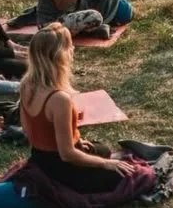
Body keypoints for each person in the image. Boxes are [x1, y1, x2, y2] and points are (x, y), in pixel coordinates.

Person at [17, 24, 148, 195]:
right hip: (61, 168)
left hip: (39, 158)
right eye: (69, 46)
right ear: (60, 56)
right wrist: (105, 164)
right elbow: (66, 154)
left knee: (102, 150)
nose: (72, 49)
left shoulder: (26, 84)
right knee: (133, 176)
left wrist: (75, 140)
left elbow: (28, 129)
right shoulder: (59, 99)